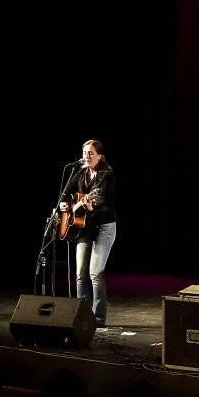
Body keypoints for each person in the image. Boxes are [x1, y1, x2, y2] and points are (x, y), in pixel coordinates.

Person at [59, 139, 116, 327]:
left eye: (91, 153)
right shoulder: (79, 171)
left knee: (95, 272)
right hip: (84, 227)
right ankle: (82, 314)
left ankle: (98, 318)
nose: (87, 156)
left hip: (104, 227)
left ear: (100, 156)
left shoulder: (107, 175)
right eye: (85, 153)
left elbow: (104, 201)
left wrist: (90, 206)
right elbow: (65, 195)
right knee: (80, 273)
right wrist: (65, 205)